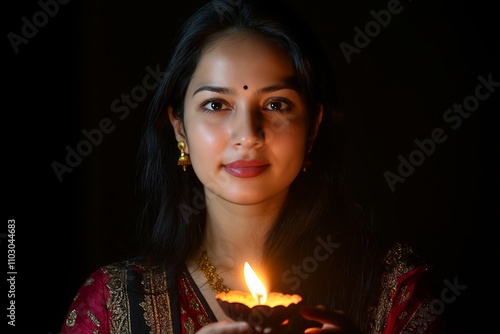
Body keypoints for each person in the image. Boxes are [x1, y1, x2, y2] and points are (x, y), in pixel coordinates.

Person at [61, 0, 447, 332]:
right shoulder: (112, 305)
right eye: (216, 105)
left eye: (277, 104)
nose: (248, 134)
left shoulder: (392, 292)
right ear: (180, 127)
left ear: (313, 127)